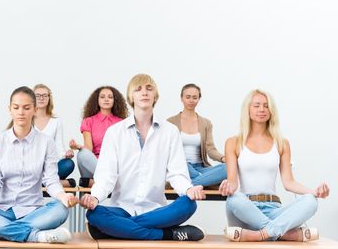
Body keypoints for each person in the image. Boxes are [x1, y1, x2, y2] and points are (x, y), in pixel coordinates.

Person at [80, 74, 206, 241]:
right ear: (131, 96)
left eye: (149, 88)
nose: (144, 92)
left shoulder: (170, 131)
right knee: (94, 214)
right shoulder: (115, 132)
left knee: (189, 204)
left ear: (155, 95)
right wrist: (94, 197)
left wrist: (188, 189)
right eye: (138, 89)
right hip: (122, 207)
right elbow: (106, 175)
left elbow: (177, 173)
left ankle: (117, 228)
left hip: (156, 210)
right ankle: (167, 234)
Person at [0, 86, 78, 243]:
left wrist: (63, 196)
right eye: (16, 107)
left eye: (26, 108)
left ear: (34, 109)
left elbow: (51, 181)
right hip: (0, 211)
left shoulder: (46, 143)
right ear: (10, 109)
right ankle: (36, 236)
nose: (21, 112)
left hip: (32, 211)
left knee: (60, 209)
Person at [220, 89, 330, 242]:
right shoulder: (233, 142)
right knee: (233, 199)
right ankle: (283, 234)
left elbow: (289, 182)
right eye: (256, 105)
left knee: (311, 201)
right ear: (248, 110)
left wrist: (314, 192)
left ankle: (262, 235)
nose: (262, 109)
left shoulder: (281, 143)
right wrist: (227, 187)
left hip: (274, 210)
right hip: (247, 210)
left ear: (271, 111)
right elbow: (232, 182)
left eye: (266, 106)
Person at [167, 83, 226, 187]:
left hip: (200, 168)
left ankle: (190, 182)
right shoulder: (170, 122)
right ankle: (205, 181)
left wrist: (224, 158)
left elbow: (211, 150)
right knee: (180, 164)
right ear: (181, 98)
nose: (191, 100)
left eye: (195, 97)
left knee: (228, 168)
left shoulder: (206, 123)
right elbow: (167, 151)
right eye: (188, 97)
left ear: (199, 99)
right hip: (181, 166)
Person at [69, 86, 128, 187]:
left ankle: (100, 182)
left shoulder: (121, 123)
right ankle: (112, 182)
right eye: (102, 97)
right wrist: (78, 147)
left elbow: (122, 150)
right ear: (97, 100)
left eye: (110, 97)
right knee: (82, 154)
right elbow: (88, 149)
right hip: (93, 164)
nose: (106, 99)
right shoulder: (88, 121)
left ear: (115, 101)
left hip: (112, 165)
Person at [33, 84, 75, 188]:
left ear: (49, 98)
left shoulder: (56, 121)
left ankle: (39, 183)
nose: (41, 98)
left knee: (68, 164)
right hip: (32, 167)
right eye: (38, 95)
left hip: (51, 167)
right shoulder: (27, 119)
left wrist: (66, 154)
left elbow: (59, 146)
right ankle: (63, 183)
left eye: (44, 95)